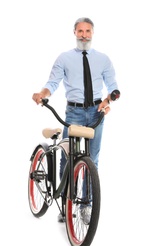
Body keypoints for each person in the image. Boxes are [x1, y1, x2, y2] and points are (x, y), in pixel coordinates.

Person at [32, 17, 120, 223]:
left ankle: (85, 206)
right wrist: (43, 94)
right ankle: (65, 203)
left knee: (92, 161)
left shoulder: (104, 59)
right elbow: (52, 83)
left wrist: (108, 100)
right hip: (74, 113)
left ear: (92, 33)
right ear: (74, 33)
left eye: (88, 31)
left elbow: (114, 87)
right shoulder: (64, 58)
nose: (84, 35)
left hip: (97, 112)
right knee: (67, 158)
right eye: (80, 31)